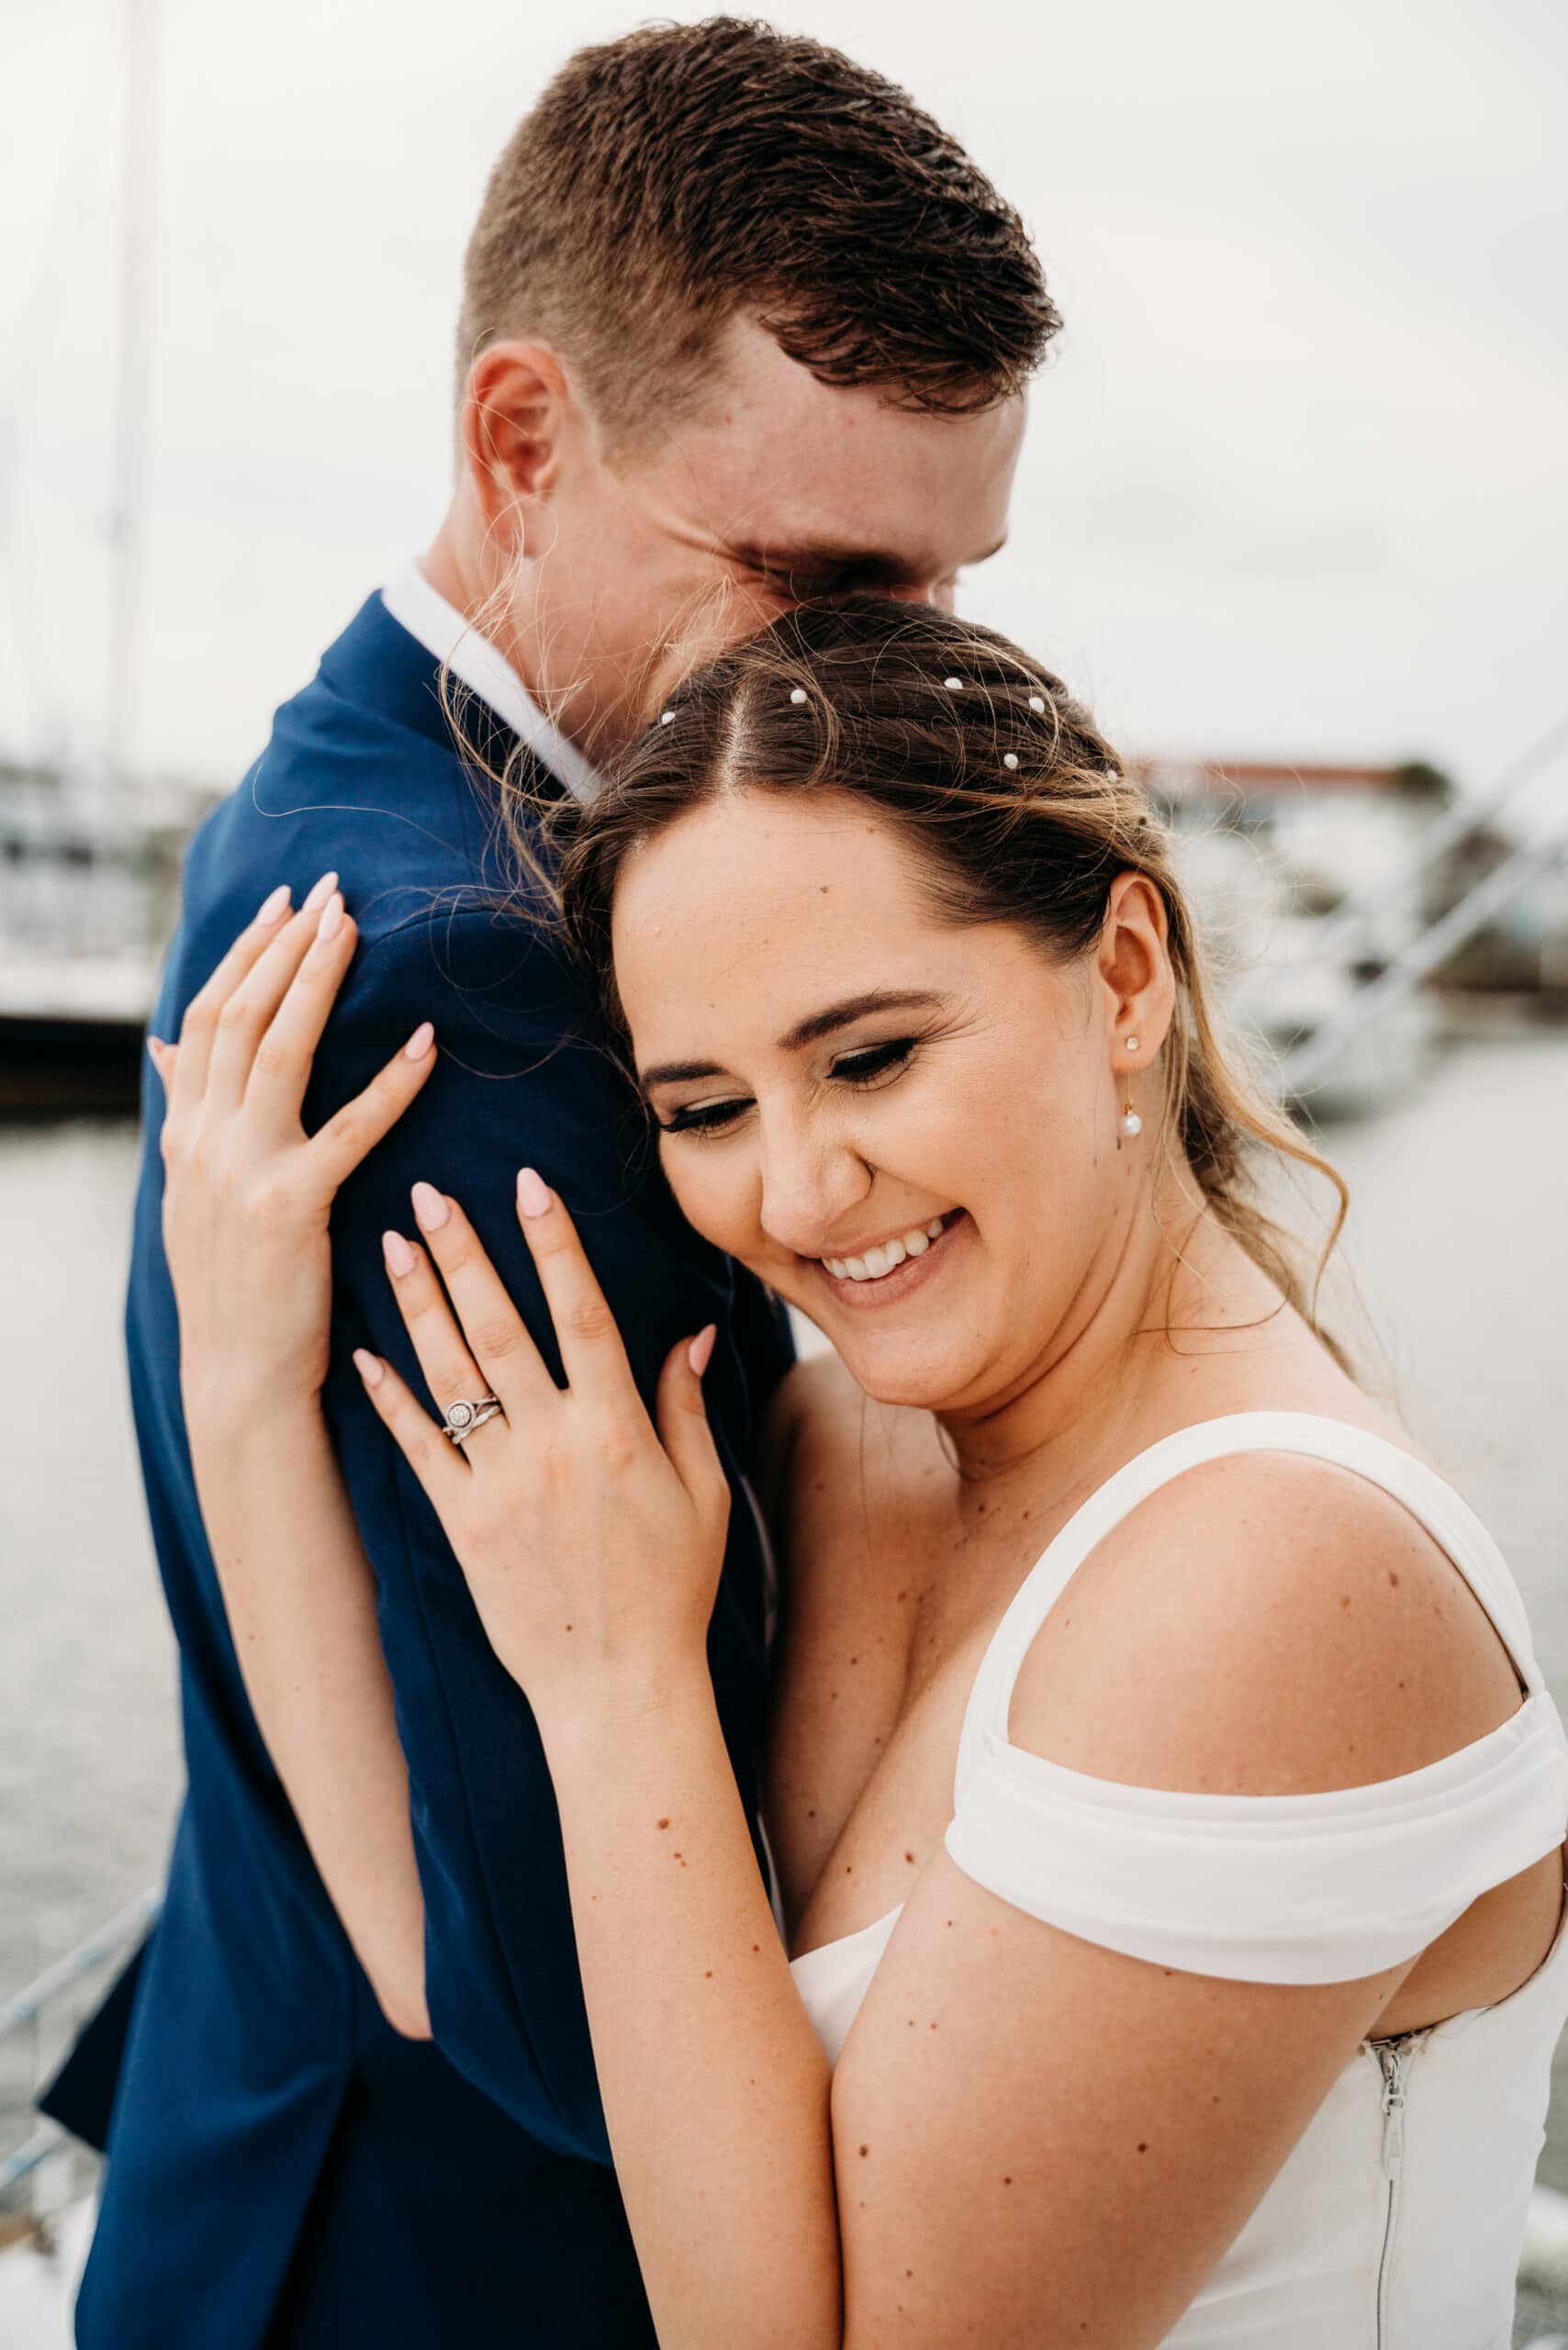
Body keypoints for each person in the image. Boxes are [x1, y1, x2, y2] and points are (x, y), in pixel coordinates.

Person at [148, 596, 1568, 2345]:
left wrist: (623, 1689)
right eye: (705, 1110)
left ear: (1127, 976)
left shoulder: (1265, 1570)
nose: (803, 1197)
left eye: (872, 1058)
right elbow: (443, 1974)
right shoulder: (845, 1448)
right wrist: (238, 1384)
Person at [40, 24, 1056, 2348]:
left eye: (946, 590)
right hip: (443, 2257)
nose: (895, 683)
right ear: (521, 442)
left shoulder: (314, 775)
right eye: (814, 576)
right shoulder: (498, 998)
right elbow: (567, 1996)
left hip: (262, 2130)